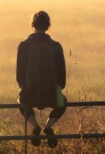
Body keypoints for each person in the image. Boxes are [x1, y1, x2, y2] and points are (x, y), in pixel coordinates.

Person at [16, 11, 67, 148]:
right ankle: (48, 126)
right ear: (48, 26)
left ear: (32, 25)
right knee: (63, 102)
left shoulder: (24, 45)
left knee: (21, 101)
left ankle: (35, 127)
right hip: (51, 94)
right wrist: (56, 88)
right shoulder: (56, 46)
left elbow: (19, 75)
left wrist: (26, 88)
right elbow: (62, 77)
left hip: (30, 95)